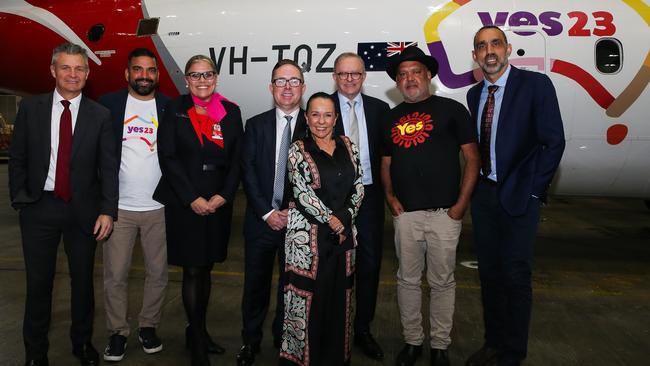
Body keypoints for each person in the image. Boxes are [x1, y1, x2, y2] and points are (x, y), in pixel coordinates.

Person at [8, 42, 118, 366]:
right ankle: (35, 353)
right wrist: (21, 200)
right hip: (39, 208)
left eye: (79, 69)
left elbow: (108, 168)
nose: (73, 75)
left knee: (83, 284)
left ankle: (82, 344)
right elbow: (18, 158)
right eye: (66, 68)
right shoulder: (31, 109)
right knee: (38, 285)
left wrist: (107, 210)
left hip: (83, 212)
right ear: (53, 70)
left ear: (87, 73)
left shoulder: (101, 115)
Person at [465, 26, 565, 366]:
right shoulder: (474, 95)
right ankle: (493, 343)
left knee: (516, 275)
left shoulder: (535, 86)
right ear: (475, 55)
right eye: (482, 46)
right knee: (489, 275)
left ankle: (512, 353)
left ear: (508, 49)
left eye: (495, 44)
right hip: (485, 198)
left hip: (521, 196)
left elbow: (554, 141)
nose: (489, 51)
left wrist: (536, 189)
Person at [381, 46, 480, 366]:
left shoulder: (452, 110)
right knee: (407, 281)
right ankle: (412, 341)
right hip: (406, 215)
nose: (409, 79)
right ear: (397, 82)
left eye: (415, 72)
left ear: (429, 75)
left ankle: (440, 345)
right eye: (403, 74)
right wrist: (391, 199)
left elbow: (472, 158)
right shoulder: (390, 117)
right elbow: (386, 163)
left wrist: (460, 206)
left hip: (444, 215)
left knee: (442, 282)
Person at [153, 54, 243, 366]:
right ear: (187, 79)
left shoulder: (231, 112)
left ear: (216, 77)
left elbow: (236, 161)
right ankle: (196, 340)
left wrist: (224, 195)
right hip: (185, 202)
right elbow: (168, 157)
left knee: (207, 267)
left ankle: (200, 332)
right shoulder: (175, 109)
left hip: (217, 202)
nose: (202, 80)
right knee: (192, 269)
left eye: (207, 74)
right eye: (195, 75)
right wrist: (191, 197)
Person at [279, 92, 364, 366]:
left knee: (340, 299)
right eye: (315, 114)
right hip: (308, 242)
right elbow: (302, 193)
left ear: (336, 118)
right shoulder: (297, 149)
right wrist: (333, 219)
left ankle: (335, 358)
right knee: (307, 303)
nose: (321, 121)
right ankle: (301, 360)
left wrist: (346, 217)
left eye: (328, 114)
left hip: (342, 239)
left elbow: (359, 185)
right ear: (306, 117)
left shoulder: (348, 145)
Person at [97, 47, 170, 362]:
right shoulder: (108, 106)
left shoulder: (169, 107)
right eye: (138, 70)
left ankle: (148, 326)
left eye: (150, 70)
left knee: (158, 273)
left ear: (157, 74)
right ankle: (117, 332)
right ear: (127, 74)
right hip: (119, 209)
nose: (144, 75)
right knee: (115, 274)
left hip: (159, 208)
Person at [237, 59, 307, 366]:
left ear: (303, 88)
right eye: (281, 81)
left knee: (291, 288)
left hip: (300, 224)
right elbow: (248, 171)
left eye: (294, 81)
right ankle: (250, 341)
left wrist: (294, 213)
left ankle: (285, 340)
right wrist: (268, 212)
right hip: (261, 222)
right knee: (255, 284)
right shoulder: (255, 124)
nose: (287, 87)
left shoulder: (315, 124)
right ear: (271, 88)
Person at [329, 52, 390, 361]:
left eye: (355, 74)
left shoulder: (380, 110)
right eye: (343, 74)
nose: (349, 79)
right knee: (331, 266)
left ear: (364, 77)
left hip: (369, 198)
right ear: (335, 77)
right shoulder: (321, 109)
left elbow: (390, 157)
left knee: (370, 264)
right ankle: (330, 327)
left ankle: (363, 328)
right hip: (333, 201)